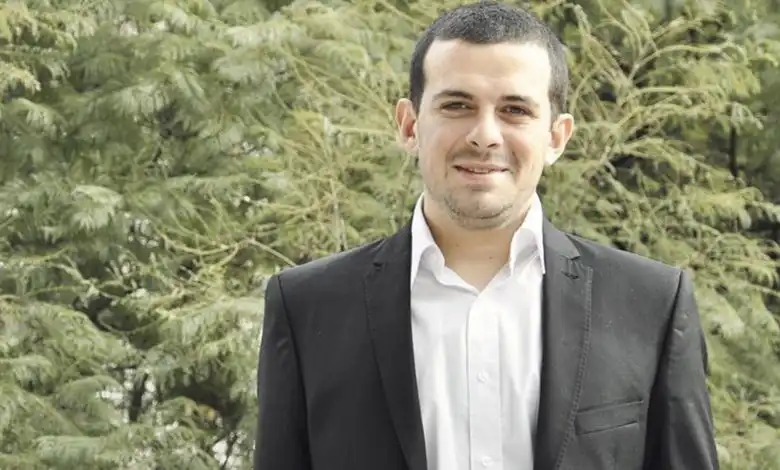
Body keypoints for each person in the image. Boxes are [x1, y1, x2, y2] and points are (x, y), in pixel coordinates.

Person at [253, 2, 719, 469]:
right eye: (457, 105)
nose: (485, 135)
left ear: (556, 137)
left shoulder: (652, 305)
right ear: (410, 125)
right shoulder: (307, 308)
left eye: (515, 110)